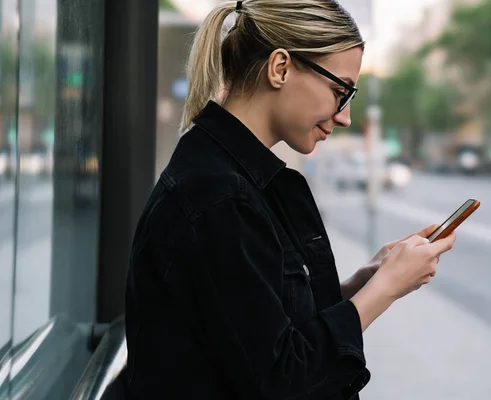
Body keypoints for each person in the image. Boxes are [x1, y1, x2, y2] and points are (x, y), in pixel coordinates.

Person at [125, 0, 456, 399]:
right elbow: (284, 380)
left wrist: (361, 282)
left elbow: (257, 322)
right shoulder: (218, 197)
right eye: (340, 91)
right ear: (279, 68)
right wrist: (384, 289)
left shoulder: (234, 179)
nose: (345, 116)